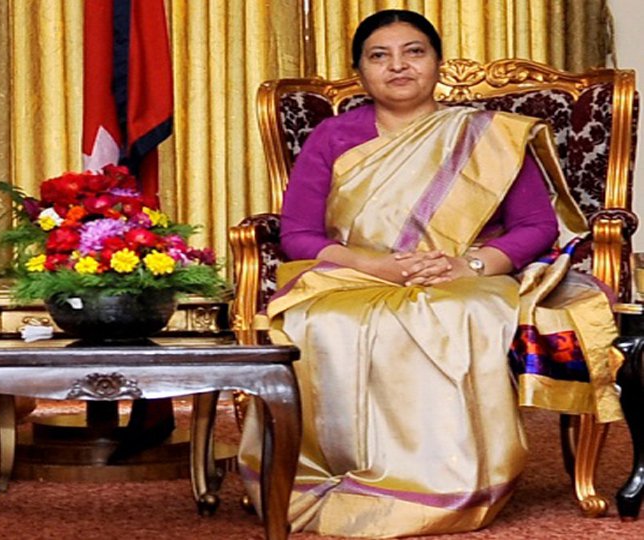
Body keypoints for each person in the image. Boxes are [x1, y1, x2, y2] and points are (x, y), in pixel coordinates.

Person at [237, 9, 623, 537]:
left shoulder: (487, 136)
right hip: (355, 273)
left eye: (413, 52)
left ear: (438, 62)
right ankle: (328, 472)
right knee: (318, 322)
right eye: (380, 56)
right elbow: (298, 235)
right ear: (360, 72)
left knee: (456, 314)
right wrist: (376, 264)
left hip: (462, 274)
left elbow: (535, 226)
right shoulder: (332, 136)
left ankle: (449, 483)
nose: (398, 66)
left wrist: (468, 264)